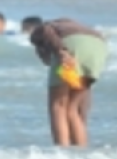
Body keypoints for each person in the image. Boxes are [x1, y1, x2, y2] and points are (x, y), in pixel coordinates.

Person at [30, 19, 109, 147]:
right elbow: (85, 104)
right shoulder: (79, 27)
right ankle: (81, 153)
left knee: (58, 105)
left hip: (71, 44)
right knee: (73, 109)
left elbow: (45, 31)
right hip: (99, 48)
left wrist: (61, 51)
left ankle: (62, 152)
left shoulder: (48, 27)